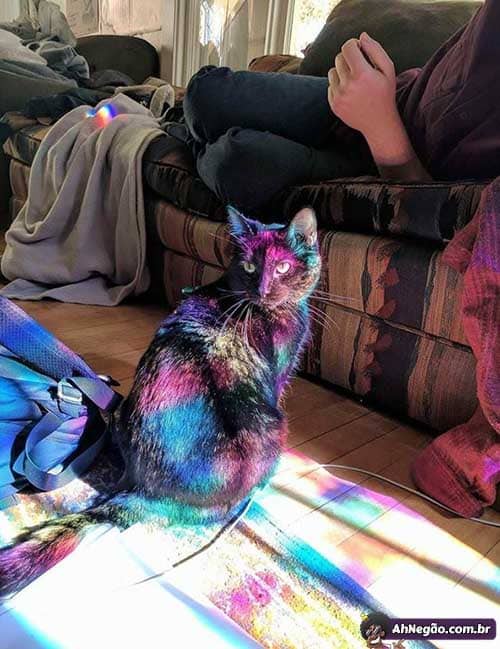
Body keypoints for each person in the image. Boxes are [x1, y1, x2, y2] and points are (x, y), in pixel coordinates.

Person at [183, 0, 499, 211]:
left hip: (386, 164)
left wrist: (379, 122)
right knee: (206, 92)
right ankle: (182, 127)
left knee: (239, 162)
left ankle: (182, 138)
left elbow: (438, 214)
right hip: (391, 95)